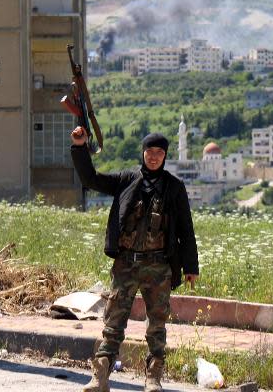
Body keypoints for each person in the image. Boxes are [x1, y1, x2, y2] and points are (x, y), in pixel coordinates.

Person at [70, 126, 199, 392]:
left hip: (159, 266)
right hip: (126, 263)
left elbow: (186, 228)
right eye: (149, 152)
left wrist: (190, 266)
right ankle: (101, 377)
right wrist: (80, 147)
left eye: (159, 152)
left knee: (157, 323)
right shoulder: (127, 179)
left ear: (165, 156)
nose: (153, 157)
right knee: (113, 322)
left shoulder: (174, 187)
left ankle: (153, 378)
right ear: (143, 153)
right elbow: (91, 179)